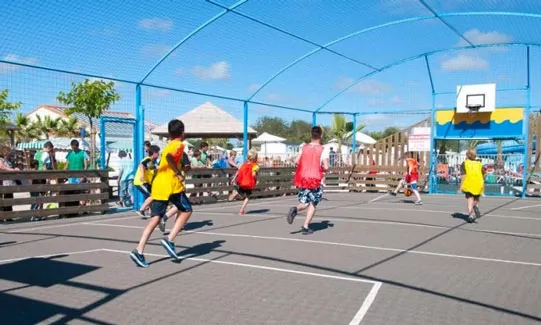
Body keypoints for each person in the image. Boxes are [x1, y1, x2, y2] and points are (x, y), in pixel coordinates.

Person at [130, 119, 192, 267]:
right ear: (182, 133)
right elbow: (171, 158)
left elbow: (172, 160)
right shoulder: (178, 145)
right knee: (187, 210)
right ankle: (169, 240)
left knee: (155, 218)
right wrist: (178, 172)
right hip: (171, 185)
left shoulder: (168, 145)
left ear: (170, 133)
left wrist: (184, 168)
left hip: (159, 185)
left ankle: (139, 250)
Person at [286, 126, 329, 235]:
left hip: (304, 178)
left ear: (311, 135)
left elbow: (296, 161)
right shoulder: (323, 149)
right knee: (313, 203)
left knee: (305, 201)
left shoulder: (304, 147)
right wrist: (322, 168)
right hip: (315, 179)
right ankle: (305, 226)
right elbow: (326, 166)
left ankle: (295, 209)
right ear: (321, 135)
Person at [458, 148, 485, 223]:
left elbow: (463, 176)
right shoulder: (479, 164)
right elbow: (483, 174)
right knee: (476, 199)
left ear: (467, 155)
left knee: (470, 200)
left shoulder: (464, 163)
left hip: (469, 184)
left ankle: (470, 215)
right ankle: (475, 206)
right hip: (477, 184)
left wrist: (460, 187)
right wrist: (483, 188)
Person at [229, 150, 259, 215]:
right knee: (247, 197)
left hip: (242, 182)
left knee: (242, 194)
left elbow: (239, 171)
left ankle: (237, 194)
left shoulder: (244, 164)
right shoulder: (255, 165)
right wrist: (256, 179)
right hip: (249, 182)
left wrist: (234, 178)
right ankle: (241, 210)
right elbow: (254, 174)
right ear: (255, 158)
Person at [134, 145, 160, 218]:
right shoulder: (148, 159)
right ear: (154, 153)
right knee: (152, 195)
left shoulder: (152, 162)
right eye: (158, 153)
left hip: (147, 182)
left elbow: (151, 170)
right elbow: (142, 165)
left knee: (151, 196)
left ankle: (151, 212)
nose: (158, 154)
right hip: (141, 182)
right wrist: (142, 175)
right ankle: (141, 210)